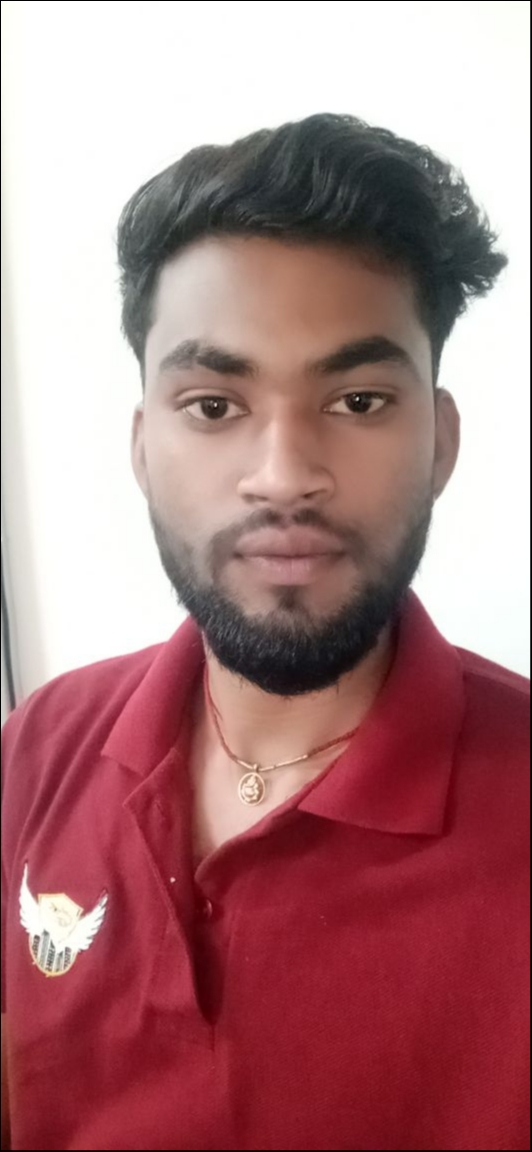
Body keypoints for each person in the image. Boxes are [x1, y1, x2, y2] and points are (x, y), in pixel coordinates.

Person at [1, 112, 529, 1152]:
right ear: (142, 447)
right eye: (212, 406)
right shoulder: (38, 751)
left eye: (359, 399)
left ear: (440, 443)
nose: (284, 476)